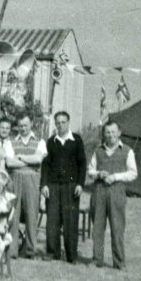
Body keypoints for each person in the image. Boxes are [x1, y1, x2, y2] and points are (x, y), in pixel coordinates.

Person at [88, 120, 137, 269]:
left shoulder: (127, 151)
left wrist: (115, 177)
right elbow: (90, 171)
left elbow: (133, 173)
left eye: (113, 132)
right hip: (99, 191)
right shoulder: (98, 151)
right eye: (107, 132)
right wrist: (98, 174)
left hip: (117, 192)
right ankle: (97, 259)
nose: (110, 135)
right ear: (104, 134)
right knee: (98, 228)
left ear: (119, 133)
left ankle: (119, 261)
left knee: (117, 228)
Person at [41, 111, 87, 263]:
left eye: (63, 122)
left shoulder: (77, 140)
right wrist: (44, 185)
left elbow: (82, 164)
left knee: (70, 220)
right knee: (52, 220)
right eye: (58, 122)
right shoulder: (50, 142)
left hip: (71, 186)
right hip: (53, 186)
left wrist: (80, 184)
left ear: (68, 123)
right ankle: (52, 252)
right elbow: (45, 166)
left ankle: (71, 255)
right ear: (55, 124)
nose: (61, 125)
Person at [5, 114, 47, 259]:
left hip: (32, 180)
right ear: (17, 126)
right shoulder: (10, 142)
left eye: (26, 125)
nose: (23, 128)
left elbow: (38, 159)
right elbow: (9, 163)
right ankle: (12, 249)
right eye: (20, 125)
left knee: (31, 213)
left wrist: (20, 157)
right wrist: (30, 162)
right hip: (15, 178)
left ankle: (30, 249)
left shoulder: (40, 141)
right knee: (13, 214)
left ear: (31, 125)